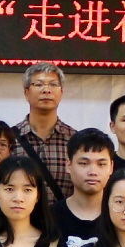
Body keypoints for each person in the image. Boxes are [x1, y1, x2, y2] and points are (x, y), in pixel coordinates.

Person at [13, 63, 77, 198]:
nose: (46, 90)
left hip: (63, 212)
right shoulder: (10, 139)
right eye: (38, 84)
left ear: (61, 93)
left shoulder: (75, 140)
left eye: (53, 84)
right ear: (26, 93)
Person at [52, 128, 115, 247]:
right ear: (68, 165)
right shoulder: (49, 218)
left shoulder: (120, 216)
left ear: (111, 167)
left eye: (101, 164)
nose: (93, 172)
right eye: (84, 163)